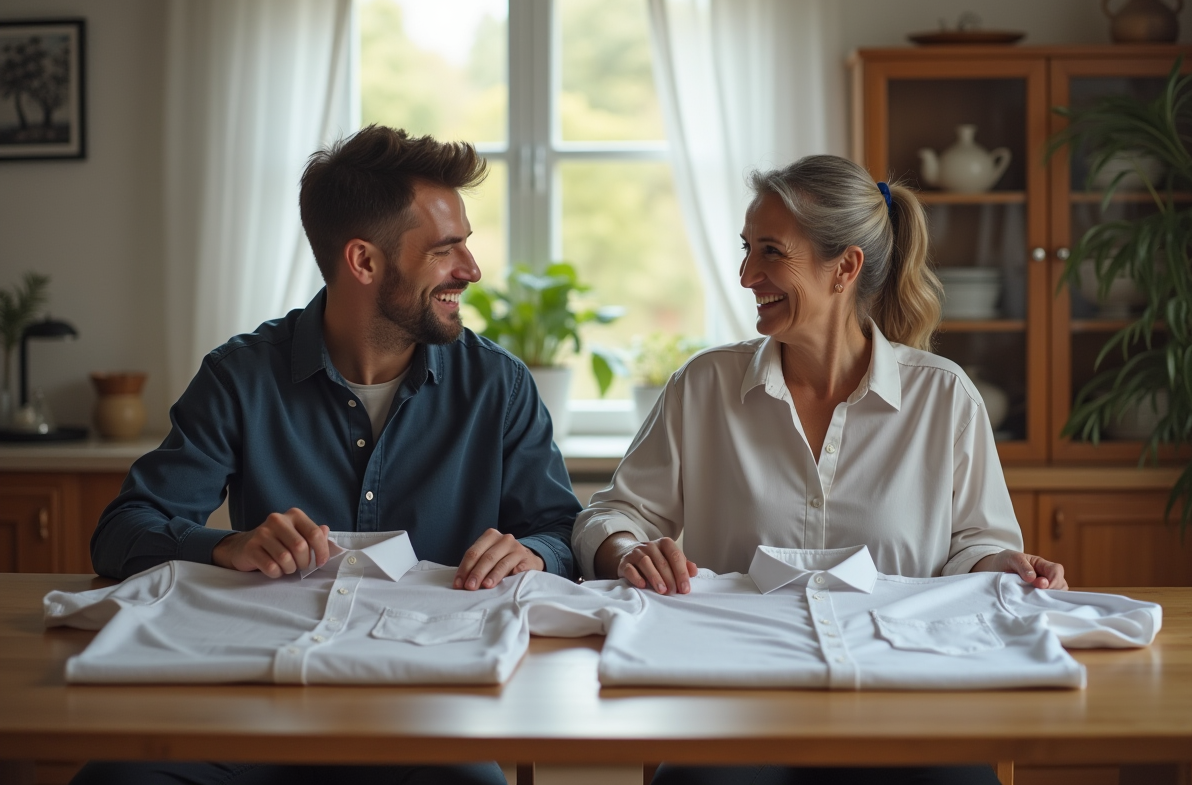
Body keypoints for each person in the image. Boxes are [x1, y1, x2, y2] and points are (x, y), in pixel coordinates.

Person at [78, 126, 580, 785]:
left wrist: (535, 552)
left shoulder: (498, 385)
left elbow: (563, 531)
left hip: (429, 710)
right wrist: (221, 546)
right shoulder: (240, 377)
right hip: (263, 701)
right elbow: (121, 532)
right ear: (365, 262)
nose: (471, 269)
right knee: (118, 779)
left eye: (466, 243)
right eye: (445, 249)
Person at [572, 155, 1067, 785]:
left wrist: (1006, 564)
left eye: (771, 253)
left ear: (846, 267)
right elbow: (613, 514)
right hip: (735, 696)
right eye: (746, 250)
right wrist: (623, 549)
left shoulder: (943, 397)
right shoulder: (704, 386)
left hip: (904, 698)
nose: (747, 274)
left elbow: (977, 543)